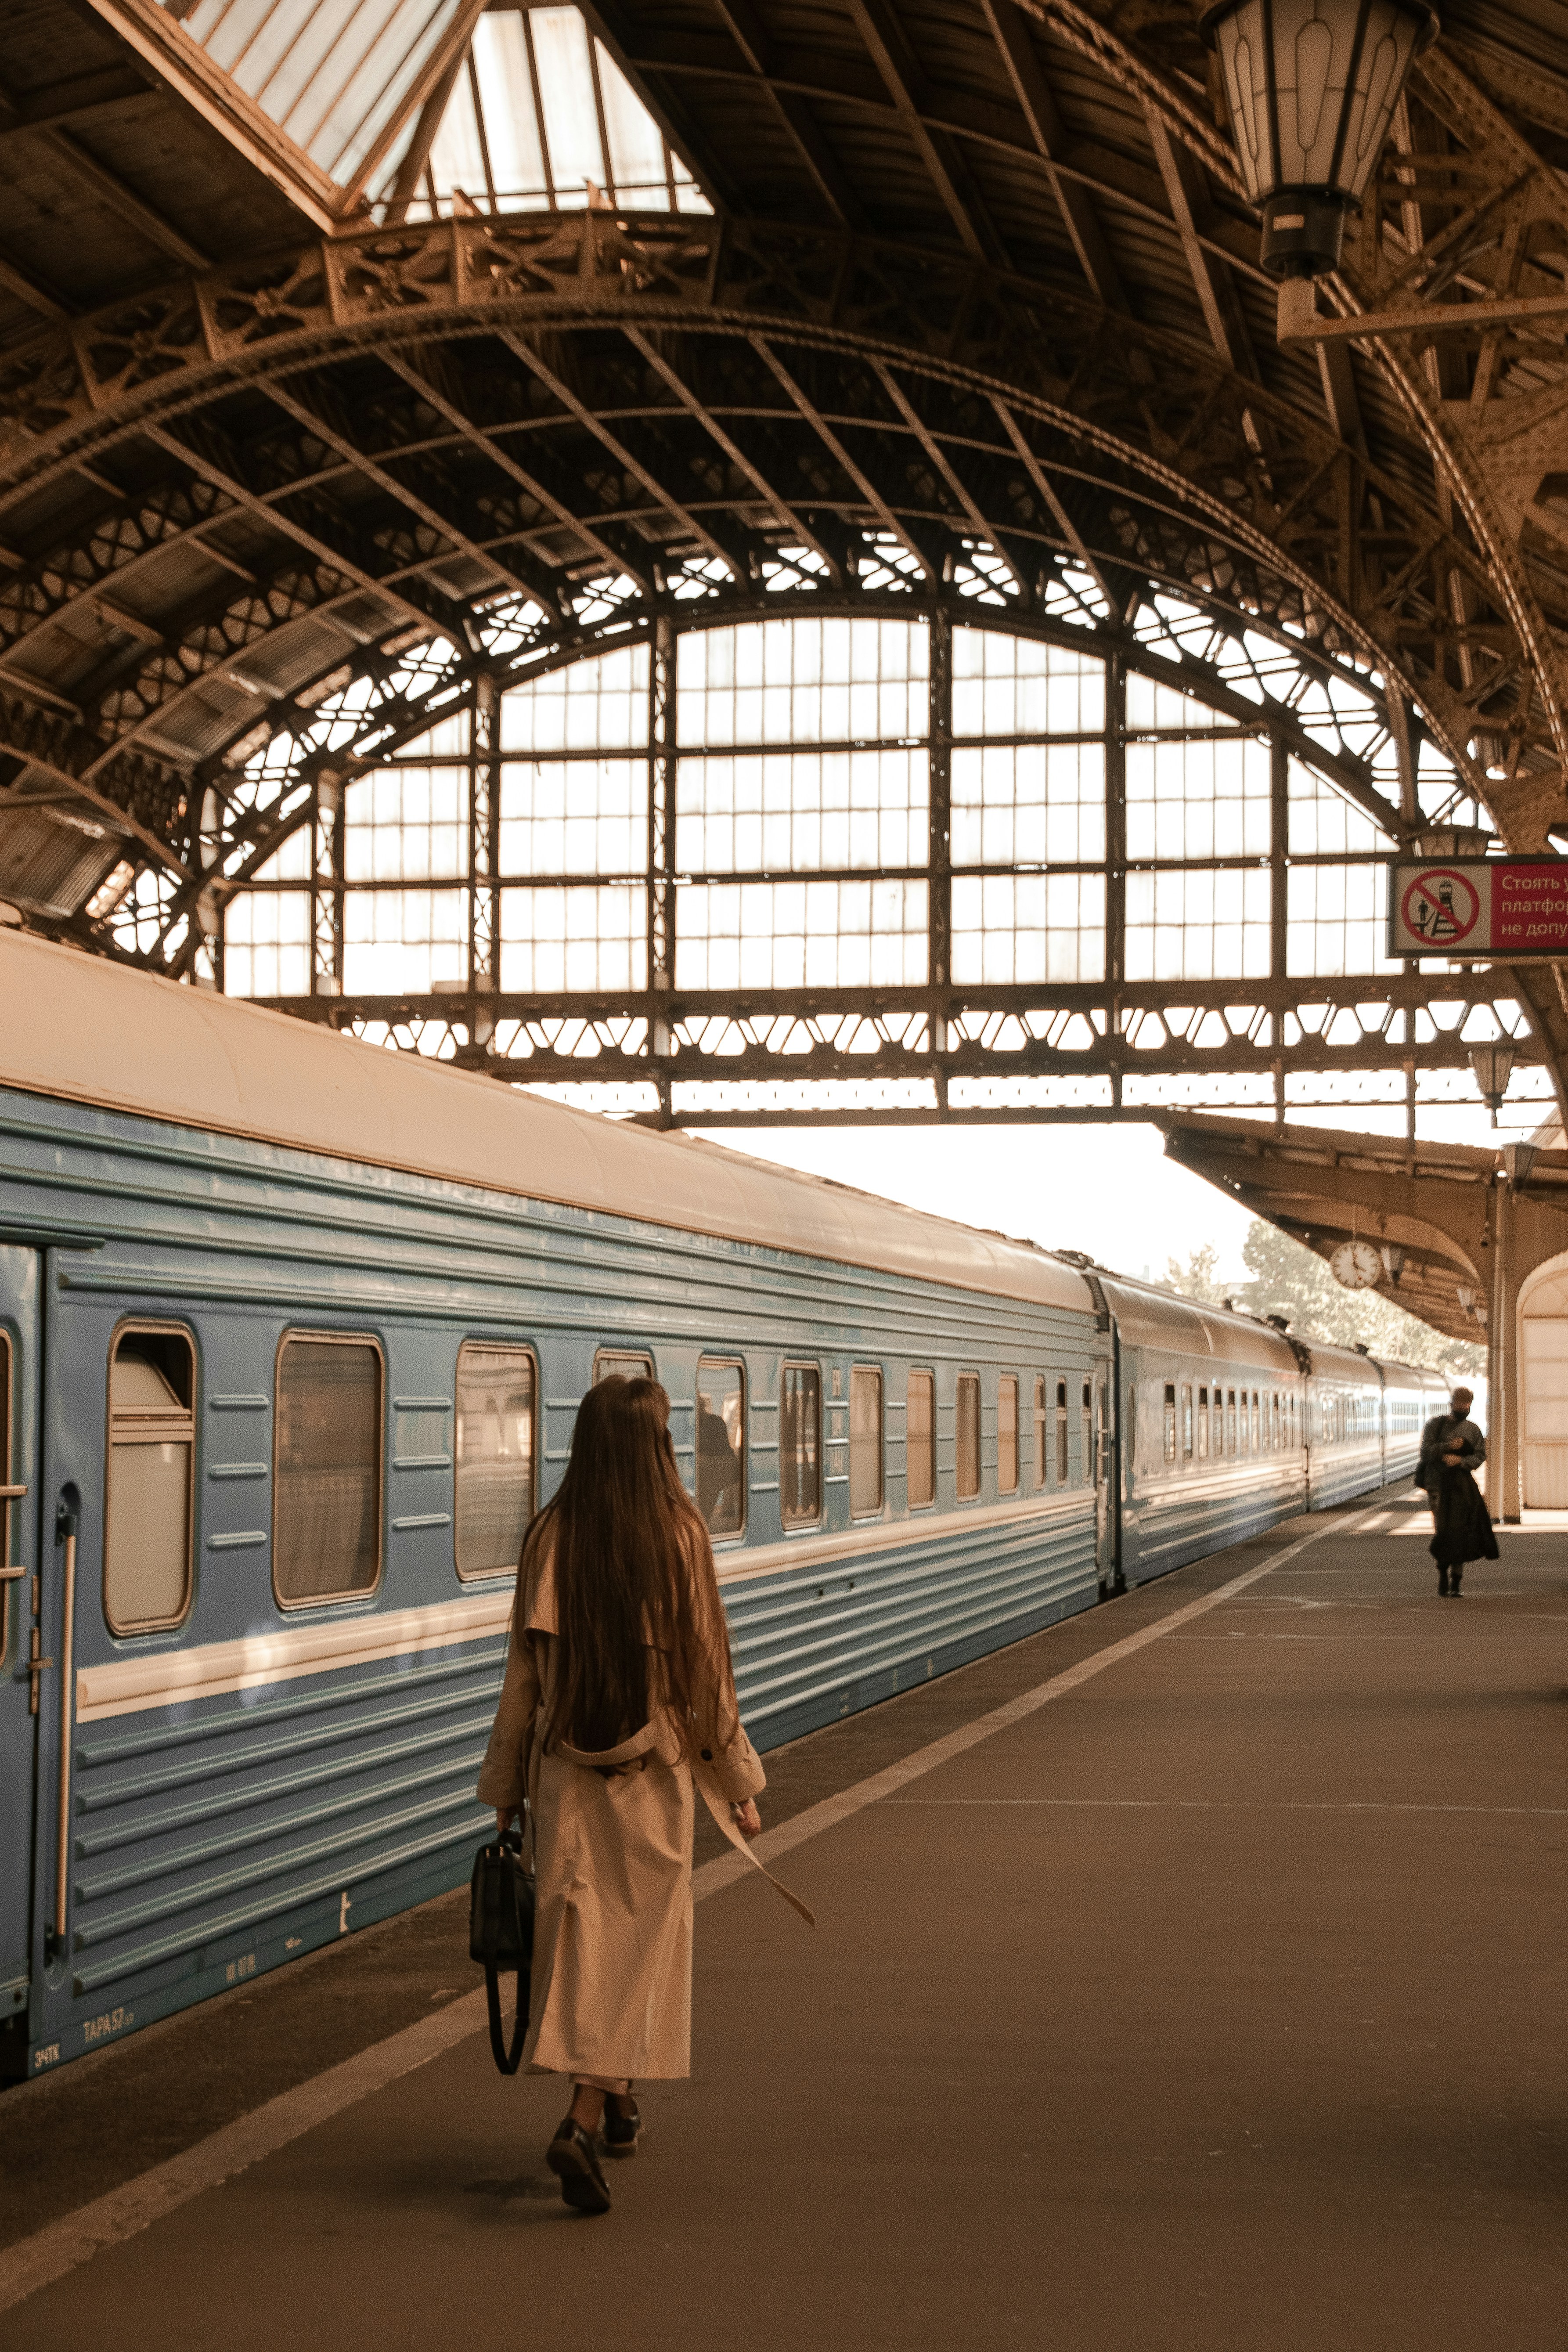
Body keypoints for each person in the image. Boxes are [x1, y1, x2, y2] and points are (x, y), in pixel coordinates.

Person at [476, 1374, 801, 2217]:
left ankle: (619, 2102)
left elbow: (521, 1679)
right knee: (640, 1948)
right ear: (655, 1451)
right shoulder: (678, 1535)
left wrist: (507, 1788)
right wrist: (736, 1785)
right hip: (652, 1778)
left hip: (565, 1782)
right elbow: (703, 1674)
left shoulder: (549, 1534)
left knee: (588, 1944)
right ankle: (585, 2117)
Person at [1417, 1385, 1497, 1596]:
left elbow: (1480, 1456)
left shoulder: (1473, 1430)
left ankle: (1456, 1580)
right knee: (1444, 1531)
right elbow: (1425, 1453)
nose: (1463, 1408)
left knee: (1459, 1531)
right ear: (1452, 1404)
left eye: (1467, 1405)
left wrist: (1461, 1461)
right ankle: (1443, 1570)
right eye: (1459, 1404)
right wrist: (1447, 1446)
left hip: (1462, 1487)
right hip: (1437, 1485)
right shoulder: (1436, 1425)